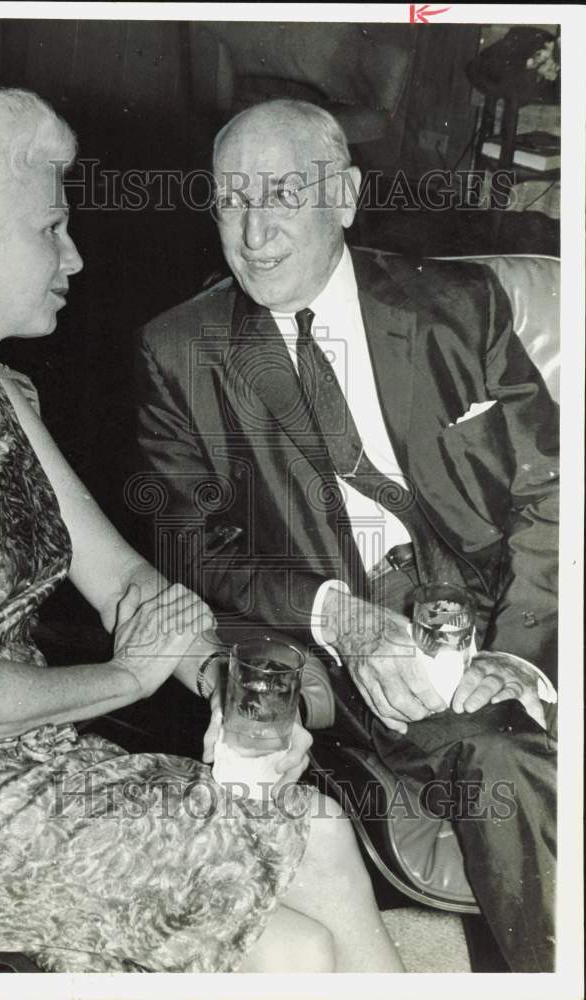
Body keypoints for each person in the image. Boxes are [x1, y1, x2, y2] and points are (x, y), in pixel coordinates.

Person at [0, 89, 405, 974]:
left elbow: (124, 584)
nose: (75, 254)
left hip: (29, 767)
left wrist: (241, 692)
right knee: (293, 950)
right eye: (51, 227)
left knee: (314, 827)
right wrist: (125, 676)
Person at [135, 98, 559, 971]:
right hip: (352, 631)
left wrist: (518, 651)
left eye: (281, 193)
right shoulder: (180, 350)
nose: (252, 230)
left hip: (515, 599)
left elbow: (553, 491)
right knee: (503, 755)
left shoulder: (456, 306)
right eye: (228, 199)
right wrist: (339, 616)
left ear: (346, 196)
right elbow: (189, 542)